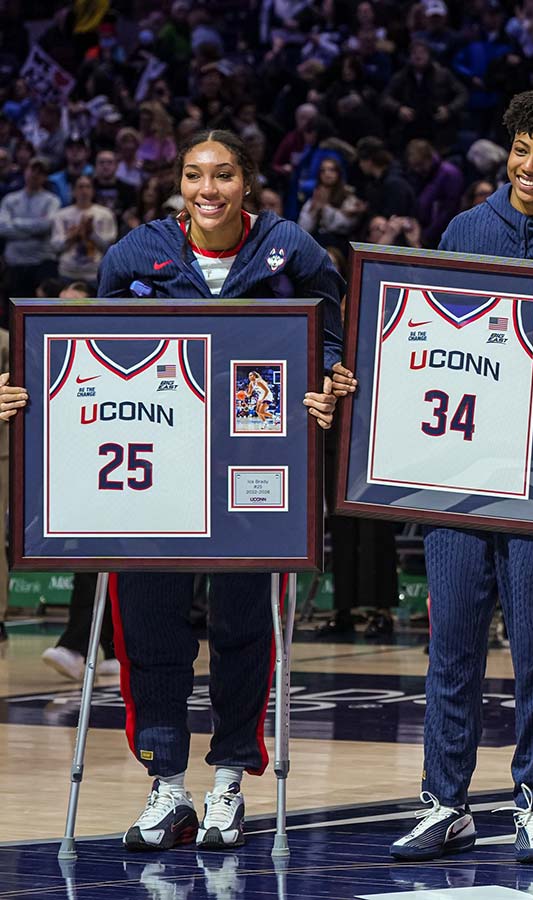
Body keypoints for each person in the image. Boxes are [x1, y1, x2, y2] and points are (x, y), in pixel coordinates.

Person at [0, 129, 348, 853]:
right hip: (157, 474)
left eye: (223, 175)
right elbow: (92, 356)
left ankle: (228, 780)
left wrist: (327, 385)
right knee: (151, 629)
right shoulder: (134, 254)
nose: (208, 189)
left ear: (248, 182)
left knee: (242, 629)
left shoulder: (292, 249)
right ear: (179, 184)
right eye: (195, 175)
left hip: (253, 476)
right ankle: (167, 784)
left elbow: (331, 339)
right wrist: (30, 393)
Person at [380, 91, 533, 865]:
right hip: (458, 475)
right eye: (521, 149)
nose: (529, 166)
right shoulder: (465, 229)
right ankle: (444, 802)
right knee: (448, 643)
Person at [0, 159, 62, 298]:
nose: (35, 174)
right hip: (15, 264)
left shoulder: (52, 200)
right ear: (25, 171)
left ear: (45, 177)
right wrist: (34, 227)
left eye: (40, 172)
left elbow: (46, 226)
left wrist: (15, 223)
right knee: (13, 314)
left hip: (42, 263)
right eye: (33, 169)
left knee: (44, 312)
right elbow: (2, 228)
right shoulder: (9, 199)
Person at [50, 174, 117, 284]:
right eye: (80, 187)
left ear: (93, 190)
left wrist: (91, 233)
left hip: (95, 274)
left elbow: (109, 248)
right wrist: (74, 235)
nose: (84, 191)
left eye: (88, 187)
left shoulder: (105, 214)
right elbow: (55, 247)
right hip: (68, 273)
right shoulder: (61, 215)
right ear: (73, 191)